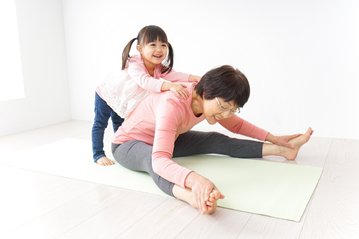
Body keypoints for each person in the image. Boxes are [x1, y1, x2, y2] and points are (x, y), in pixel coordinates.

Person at [111, 65, 313, 215]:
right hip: (128, 144)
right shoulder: (172, 104)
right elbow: (160, 160)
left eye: (233, 109)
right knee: (153, 161)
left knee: (215, 139)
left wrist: (275, 140)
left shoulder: (210, 101)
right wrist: (197, 181)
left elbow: (237, 125)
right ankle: (192, 196)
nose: (227, 114)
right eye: (224, 107)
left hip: (169, 137)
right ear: (206, 92)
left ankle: (283, 151)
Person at [92, 25, 201, 166]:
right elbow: (145, 82)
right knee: (100, 123)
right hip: (107, 93)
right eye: (153, 45)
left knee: (120, 124)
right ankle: (98, 154)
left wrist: (195, 78)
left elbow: (175, 75)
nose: (159, 49)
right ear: (140, 49)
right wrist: (169, 86)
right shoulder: (134, 63)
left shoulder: (158, 67)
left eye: (163, 45)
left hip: (122, 99)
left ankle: (122, 145)